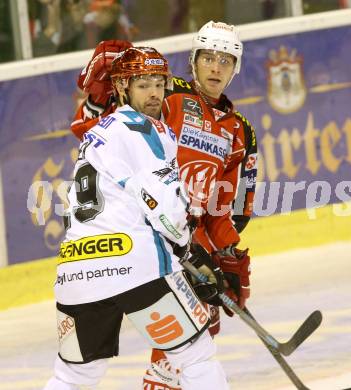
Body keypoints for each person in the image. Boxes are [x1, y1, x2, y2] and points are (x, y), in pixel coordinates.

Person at [71, 21, 257, 390]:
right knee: (190, 337)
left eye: (226, 60)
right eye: (208, 57)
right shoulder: (165, 95)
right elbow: (96, 128)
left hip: (188, 240)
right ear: (193, 60)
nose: (216, 67)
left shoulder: (239, 129)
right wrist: (98, 94)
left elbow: (226, 205)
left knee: (199, 331)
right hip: (146, 235)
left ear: (236, 68)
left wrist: (229, 254)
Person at [43, 46, 230, 390]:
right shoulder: (146, 130)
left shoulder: (97, 134)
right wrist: (188, 251)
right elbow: (162, 203)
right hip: (135, 264)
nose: (154, 93)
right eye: (142, 85)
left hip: (76, 270)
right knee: (195, 355)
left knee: (73, 376)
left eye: (158, 83)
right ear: (121, 88)